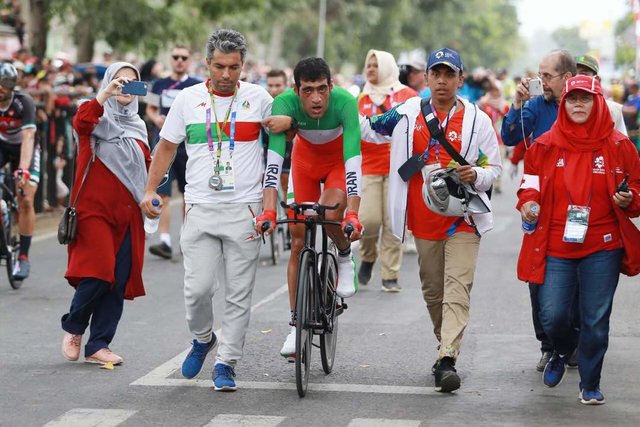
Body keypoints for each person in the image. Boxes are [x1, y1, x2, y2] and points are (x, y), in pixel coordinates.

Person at [361, 48, 501, 392]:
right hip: (423, 219)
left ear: (460, 80)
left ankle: (448, 357)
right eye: (436, 74)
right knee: (434, 290)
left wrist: (476, 176)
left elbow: (493, 169)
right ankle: (445, 345)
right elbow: (371, 130)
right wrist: (332, 110)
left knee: (458, 288)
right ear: (426, 78)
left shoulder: (476, 119)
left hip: (464, 218)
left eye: (449, 75)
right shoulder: (408, 112)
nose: (442, 81)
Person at [140, 29, 273, 392]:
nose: (226, 75)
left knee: (238, 294)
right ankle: (202, 339)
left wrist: (272, 202)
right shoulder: (188, 99)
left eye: (233, 67)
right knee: (197, 290)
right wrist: (151, 188)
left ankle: (227, 362)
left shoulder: (260, 99)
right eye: (219, 66)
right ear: (206, 64)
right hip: (200, 207)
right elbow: (166, 147)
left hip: (245, 209)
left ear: (243, 65)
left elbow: (278, 148)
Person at [516, 75, 640, 405]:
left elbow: (637, 189)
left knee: (595, 319)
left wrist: (631, 199)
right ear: (564, 104)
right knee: (552, 315)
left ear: (598, 102)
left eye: (586, 99)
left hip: (604, 245)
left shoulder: (618, 146)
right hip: (556, 244)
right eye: (573, 99)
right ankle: (560, 349)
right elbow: (529, 186)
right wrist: (528, 202)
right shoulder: (544, 145)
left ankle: (590, 382)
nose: (579, 105)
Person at [257, 57, 363, 359]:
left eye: (321, 89)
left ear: (331, 87)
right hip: (304, 164)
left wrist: (352, 213)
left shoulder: (344, 103)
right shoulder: (283, 104)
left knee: (330, 216)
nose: (316, 98)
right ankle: (296, 324)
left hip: (337, 165)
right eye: (307, 91)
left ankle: (344, 256)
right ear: (296, 90)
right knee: (298, 237)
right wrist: (267, 211)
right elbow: (274, 164)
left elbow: (354, 160)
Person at [60, 62, 151, 365]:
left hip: (128, 213)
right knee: (98, 273)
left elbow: (146, 169)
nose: (124, 87)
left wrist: (152, 194)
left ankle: (98, 344)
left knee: (118, 278)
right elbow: (82, 123)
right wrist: (103, 96)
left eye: (131, 82)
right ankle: (74, 327)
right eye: (118, 81)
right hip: (94, 210)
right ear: (109, 83)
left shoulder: (138, 126)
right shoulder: (93, 114)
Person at [501, 50, 576, 372]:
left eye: (547, 76)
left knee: (579, 274)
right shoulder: (533, 106)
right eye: (539, 75)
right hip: (539, 204)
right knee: (538, 276)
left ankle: (574, 338)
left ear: (567, 78)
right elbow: (509, 136)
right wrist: (516, 105)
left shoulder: (582, 106)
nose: (540, 82)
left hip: (577, 205)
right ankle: (547, 344)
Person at [357, 49, 417, 292]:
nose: (371, 69)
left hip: (399, 170)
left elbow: (420, 133)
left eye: (375, 65)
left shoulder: (408, 96)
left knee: (393, 223)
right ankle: (368, 256)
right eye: (368, 65)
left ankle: (390, 273)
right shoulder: (360, 99)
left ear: (387, 67)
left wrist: (415, 167)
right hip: (368, 168)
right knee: (368, 221)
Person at [146, 45, 201, 260]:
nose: (179, 60)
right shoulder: (159, 84)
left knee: (190, 195)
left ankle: (187, 239)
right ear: (170, 59)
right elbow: (150, 108)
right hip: (164, 145)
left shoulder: (196, 85)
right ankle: (165, 241)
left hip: (188, 147)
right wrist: (155, 118)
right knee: (163, 195)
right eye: (176, 57)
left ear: (189, 61)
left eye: (183, 57)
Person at [0, 62, 38, 280]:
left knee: (25, 199)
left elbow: (28, 137)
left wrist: (23, 170)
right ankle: (3, 213)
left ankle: (23, 256)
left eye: (5, 84)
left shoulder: (24, 102)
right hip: (3, 146)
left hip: (27, 149)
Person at [574, 54, 627, 135]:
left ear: (596, 80)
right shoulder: (560, 106)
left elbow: (622, 144)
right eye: (574, 73)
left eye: (583, 74)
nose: (577, 77)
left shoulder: (613, 110)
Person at [264, 68, 292, 197]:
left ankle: (286, 214)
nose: (273, 89)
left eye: (278, 85)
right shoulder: (262, 103)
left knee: (286, 186)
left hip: (290, 153)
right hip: (266, 154)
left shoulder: (293, 103)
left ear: (286, 85)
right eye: (270, 85)